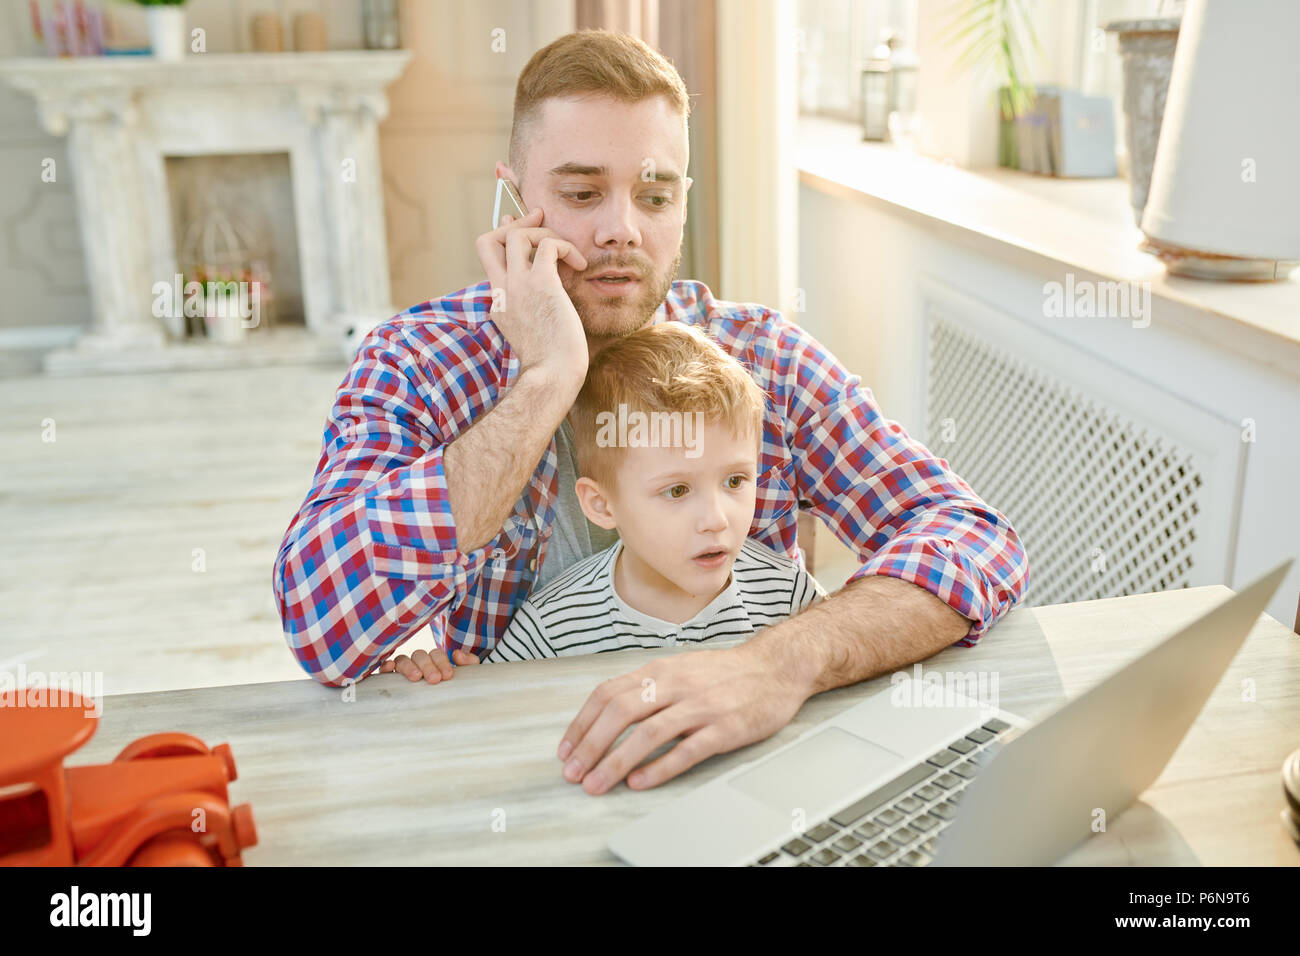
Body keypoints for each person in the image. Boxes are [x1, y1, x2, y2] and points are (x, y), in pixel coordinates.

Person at [273, 29, 1028, 796]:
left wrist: (778, 663)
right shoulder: (419, 361)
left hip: (743, 780)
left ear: (683, 202)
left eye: (655, 195)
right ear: (511, 200)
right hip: (530, 782)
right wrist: (547, 378)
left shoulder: (761, 357)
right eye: (580, 193)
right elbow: (319, 622)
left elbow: (972, 539)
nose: (621, 230)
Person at [482, 321, 826, 663]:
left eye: (734, 481)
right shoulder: (548, 628)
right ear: (601, 505)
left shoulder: (789, 595)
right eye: (677, 490)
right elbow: (487, 710)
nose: (716, 520)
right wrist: (437, 679)